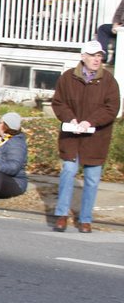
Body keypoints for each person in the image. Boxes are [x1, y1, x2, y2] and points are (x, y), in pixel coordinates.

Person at [50, 40, 121, 233]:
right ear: (83, 57)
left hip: (96, 138)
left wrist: (90, 122)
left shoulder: (108, 81)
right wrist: (70, 119)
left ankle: (85, 219)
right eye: (92, 55)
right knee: (68, 172)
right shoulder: (67, 78)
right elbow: (58, 103)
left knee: (91, 179)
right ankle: (62, 215)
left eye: (99, 55)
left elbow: (111, 108)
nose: (97, 59)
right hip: (71, 137)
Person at [96, 0, 123, 64]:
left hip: (122, 29)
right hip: (120, 25)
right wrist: (115, 25)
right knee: (103, 28)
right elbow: (118, 13)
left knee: (121, 35)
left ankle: (115, 59)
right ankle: (103, 57)